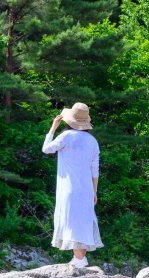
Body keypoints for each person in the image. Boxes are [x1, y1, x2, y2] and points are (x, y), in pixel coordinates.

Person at [42, 102, 101, 268]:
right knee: (82, 221)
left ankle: (80, 260)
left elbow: (46, 149)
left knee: (72, 222)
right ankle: (81, 259)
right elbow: (94, 170)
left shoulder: (66, 136)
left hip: (69, 187)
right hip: (87, 188)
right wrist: (95, 191)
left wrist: (53, 128)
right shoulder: (93, 141)